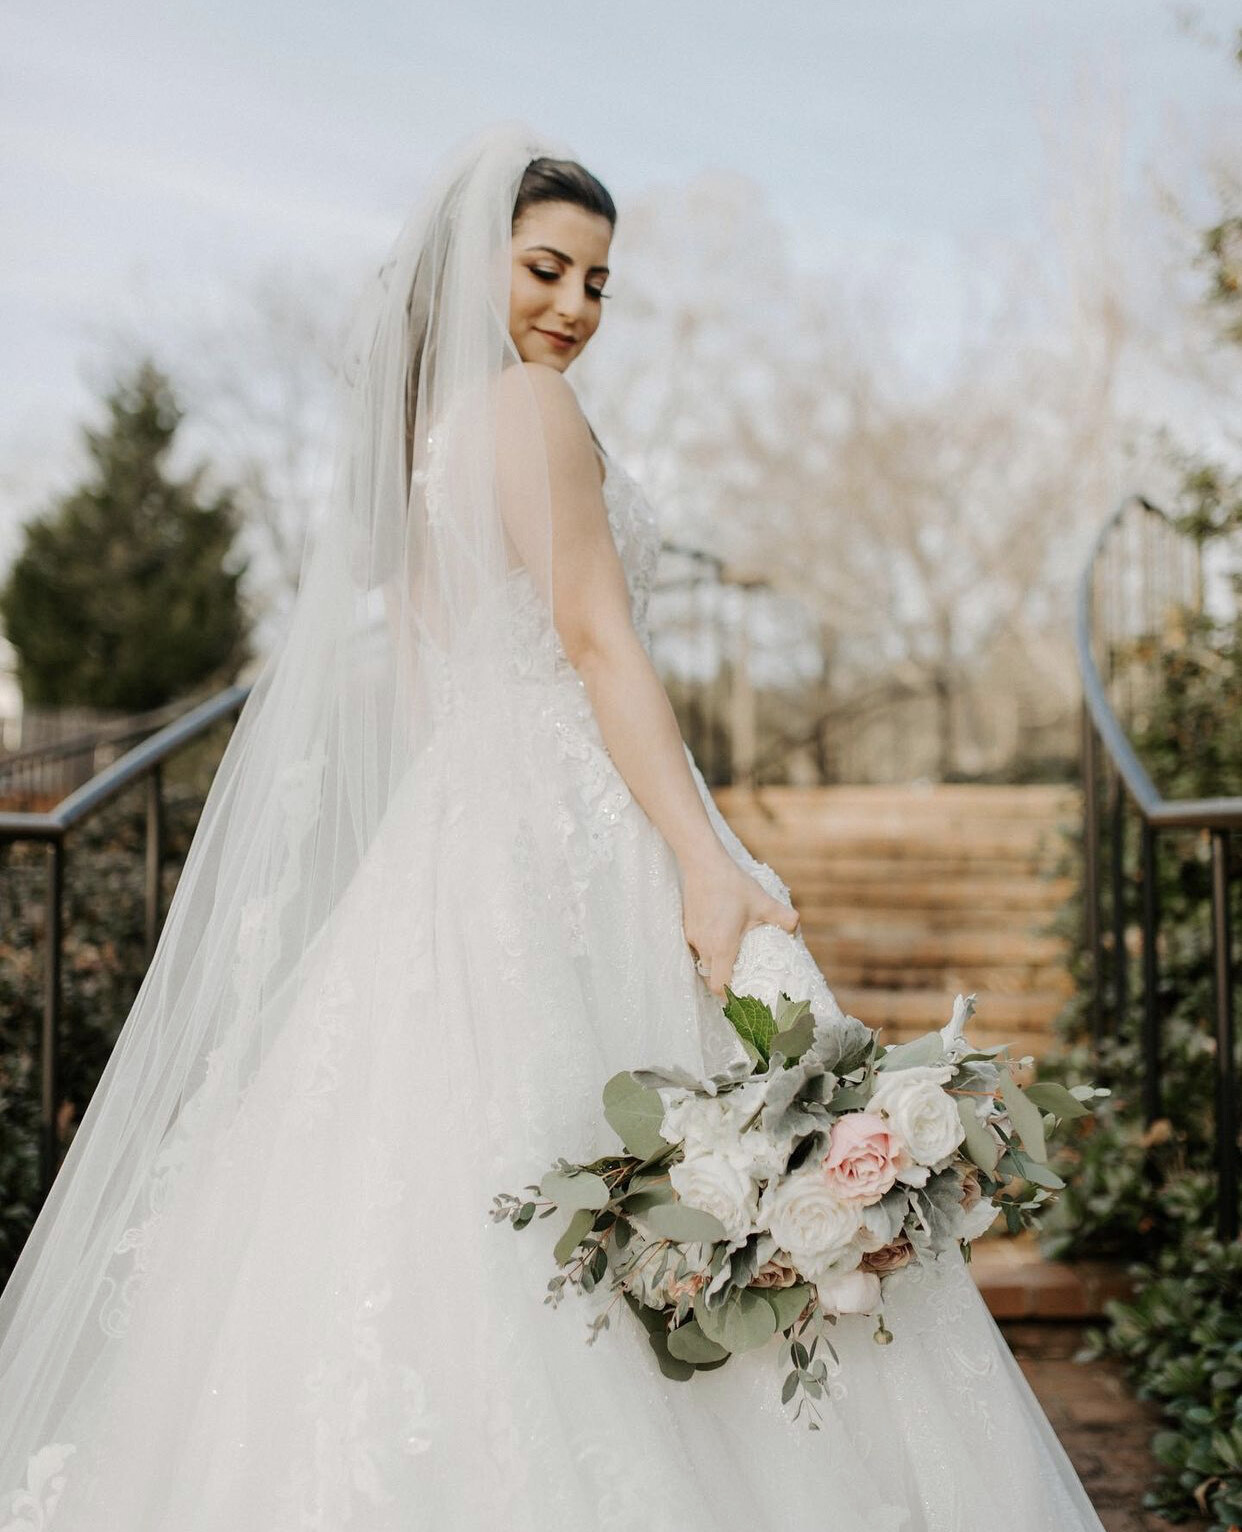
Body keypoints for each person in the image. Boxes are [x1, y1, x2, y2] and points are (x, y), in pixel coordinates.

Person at [0, 121, 1106, 1530]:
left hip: (465, 834)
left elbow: (434, 675)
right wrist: (703, 860)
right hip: (564, 834)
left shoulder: (426, 448)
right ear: (477, 272)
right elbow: (595, 643)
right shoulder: (526, 411)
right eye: (545, 269)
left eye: (597, 284)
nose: (573, 309)